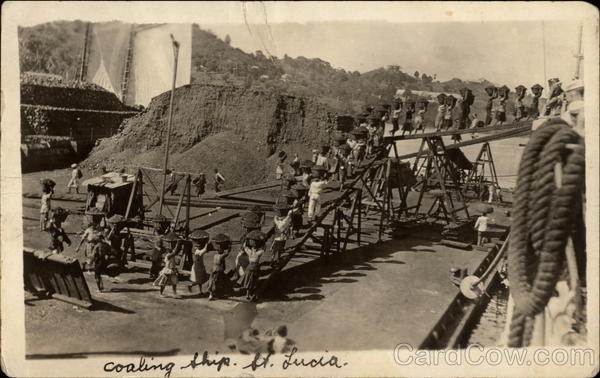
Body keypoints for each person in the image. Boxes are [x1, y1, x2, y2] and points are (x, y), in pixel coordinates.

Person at [153, 232, 182, 298]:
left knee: (174, 283)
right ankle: (160, 293)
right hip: (167, 270)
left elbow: (175, 251)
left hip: (172, 270)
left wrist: (178, 244)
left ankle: (174, 294)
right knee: (163, 283)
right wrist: (178, 243)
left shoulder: (171, 255)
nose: (171, 250)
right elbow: (175, 251)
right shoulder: (168, 256)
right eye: (169, 250)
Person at [240, 230, 265, 301]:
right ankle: (248, 294)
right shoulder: (257, 253)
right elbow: (263, 248)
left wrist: (246, 241)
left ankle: (248, 294)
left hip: (251, 268)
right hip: (254, 268)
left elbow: (245, 247)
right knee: (251, 281)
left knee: (250, 281)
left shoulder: (251, 252)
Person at [208, 233, 232, 300]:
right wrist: (230, 245)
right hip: (219, 270)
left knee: (212, 281)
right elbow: (227, 253)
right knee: (219, 282)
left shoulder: (215, 255)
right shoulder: (221, 256)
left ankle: (211, 294)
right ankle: (219, 294)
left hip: (213, 269)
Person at [270, 201, 293, 268]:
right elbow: (288, 219)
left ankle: (272, 260)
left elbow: (276, 220)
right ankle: (278, 259)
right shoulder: (287, 220)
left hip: (277, 237)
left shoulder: (276, 220)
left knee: (274, 250)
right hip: (283, 237)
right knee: (280, 249)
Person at [188, 230, 210, 294]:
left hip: (199, 266)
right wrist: (207, 243)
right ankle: (190, 286)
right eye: (199, 246)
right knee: (199, 280)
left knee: (200, 280)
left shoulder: (197, 251)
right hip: (198, 268)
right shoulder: (198, 252)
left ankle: (200, 291)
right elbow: (205, 250)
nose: (200, 247)